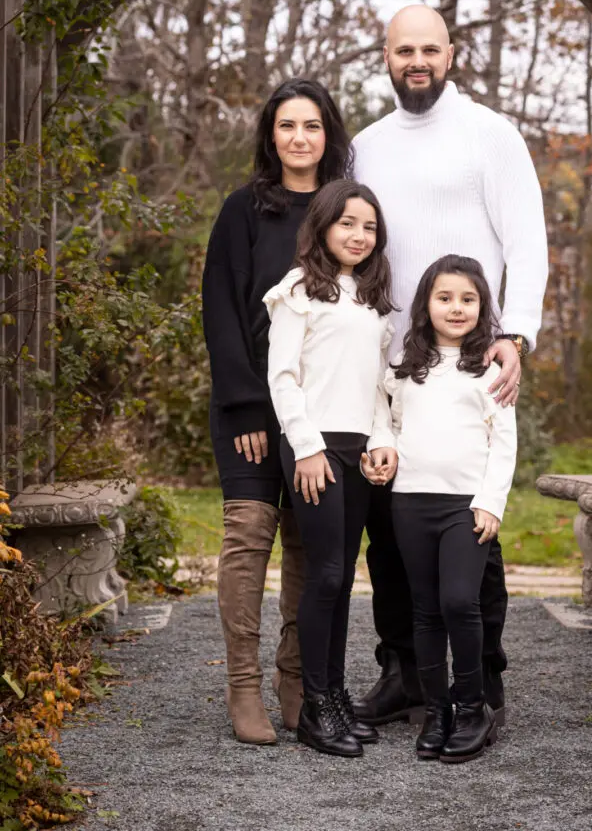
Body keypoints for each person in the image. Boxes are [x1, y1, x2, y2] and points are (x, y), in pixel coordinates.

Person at [352, 4, 548, 727]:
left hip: (472, 360)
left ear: (452, 54)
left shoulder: (490, 135)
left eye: (430, 50)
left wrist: (516, 335)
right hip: (390, 367)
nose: (418, 62)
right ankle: (404, 669)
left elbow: (527, 241)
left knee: (474, 532)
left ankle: (484, 685)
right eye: (405, 50)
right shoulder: (365, 147)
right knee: (390, 530)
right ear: (386, 57)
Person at [202, 78, 353, 745]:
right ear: (271, 136)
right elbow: (221, 313)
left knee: (305, 544)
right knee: (250, 535)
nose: (299, 137)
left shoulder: (341, 214)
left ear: (329, 135)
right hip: (251, 411)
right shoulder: (243, 211)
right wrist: (246, 410)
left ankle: (297, 682)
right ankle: (243, 687)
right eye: (287, 125)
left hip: (320, 415)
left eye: (312, 126)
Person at [363, 254, 516, 764]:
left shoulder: (491, 372)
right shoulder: (406, 370)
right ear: (426, 305)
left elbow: (504, 444)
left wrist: (490, 503)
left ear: (482, 307)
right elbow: (383, 419)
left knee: (458, 602)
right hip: (410, 503)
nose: (456, 308)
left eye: (468, 299)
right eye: (445, 297)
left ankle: (473, 708)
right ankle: (437, 711)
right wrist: (381, 453)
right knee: (424, 610)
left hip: (465, 509)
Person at [263, 180, 397, 758]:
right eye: (347, 223)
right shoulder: (297, 291)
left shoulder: (371, 301)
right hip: (314, 448)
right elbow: (283, 377)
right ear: (321, 226)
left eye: (369, 226)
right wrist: (307, 447)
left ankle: (337, 695)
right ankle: (315, 707)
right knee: (323, 575)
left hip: (357, 450)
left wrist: (383, 439)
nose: (358, 235)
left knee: (343, 577)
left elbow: (375, 388)